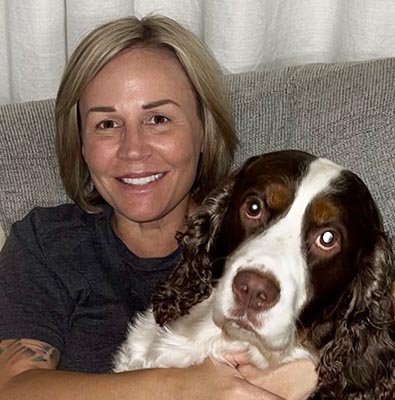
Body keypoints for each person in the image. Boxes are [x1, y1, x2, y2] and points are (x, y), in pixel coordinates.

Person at [0, 14, 318, 400]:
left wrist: (313, 367)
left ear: (203, 130)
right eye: (106, 124)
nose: (133, 149)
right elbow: (12, 386)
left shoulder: (256, 236)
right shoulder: (46, 244)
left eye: (158, 119)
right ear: (81, 145)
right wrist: (179, 386)